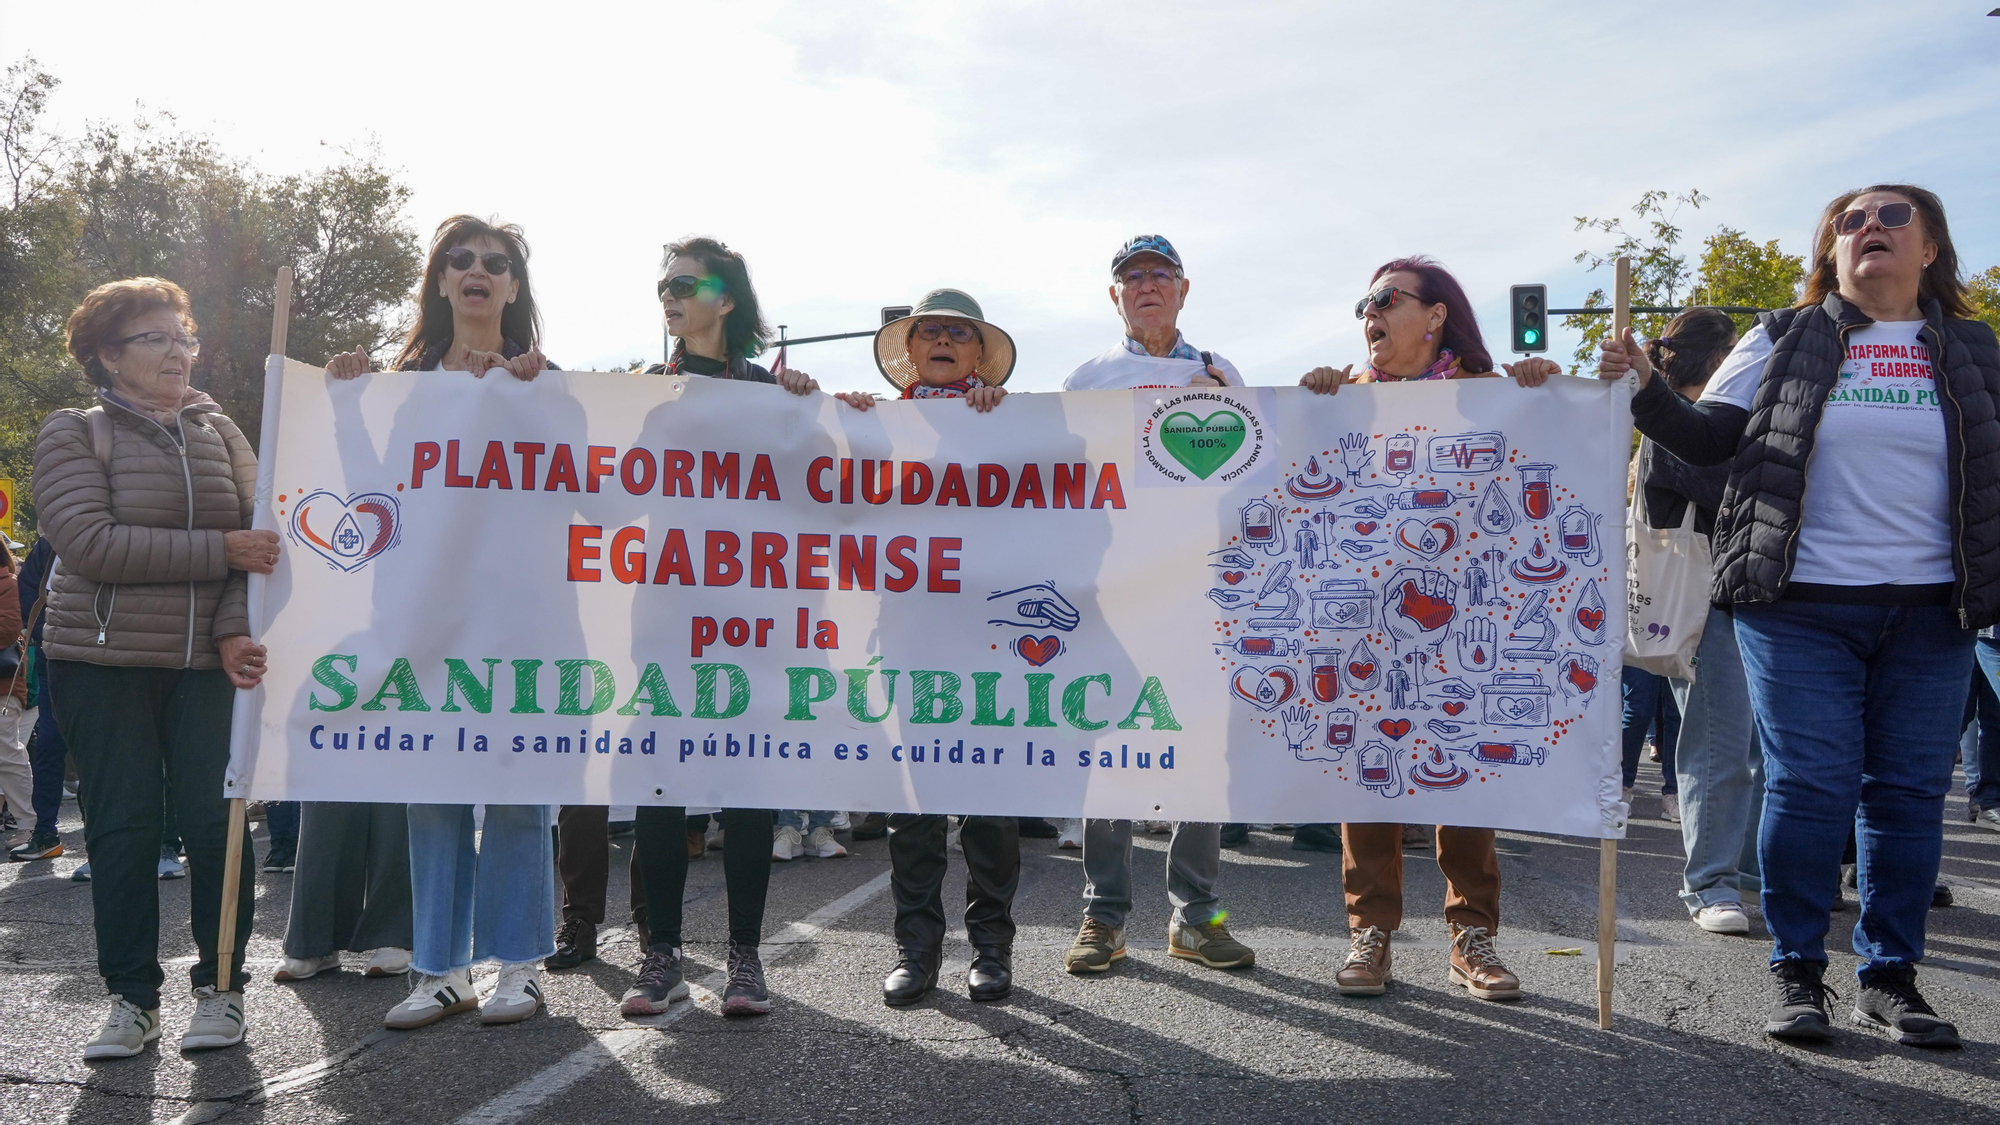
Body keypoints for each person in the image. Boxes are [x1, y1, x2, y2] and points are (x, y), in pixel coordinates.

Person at [1599, 184, 1999, 1049]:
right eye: (1850, 221)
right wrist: (1642, 390)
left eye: (1892, 217)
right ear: (1831, 253)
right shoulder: (1782, 335)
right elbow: (1708, 438)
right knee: (1812, 787)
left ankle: (1890, 977)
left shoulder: (1972, 348)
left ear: (1931, 247)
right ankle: (1798, 970)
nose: (1870, 229)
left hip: (1934, 613)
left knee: (1906, 798)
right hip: (1800, 607)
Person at [1298, 255, 1560, 1001]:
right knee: (1370, 774)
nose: (1369, 315)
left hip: (1463, 620)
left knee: (1463, 775)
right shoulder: (1346, 398)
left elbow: (1547, 459)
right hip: (1367, 624)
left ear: (1435, 314)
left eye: (1385, 299)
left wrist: (1547, 392)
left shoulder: (1488, 396)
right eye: (1363, 304)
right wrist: (1314, 402)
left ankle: (1471, 934)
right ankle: (1371, 931)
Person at [331, 216, 557, 1029]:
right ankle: (439, 967)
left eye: (495, 263)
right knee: (432, 787)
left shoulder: (547, 380)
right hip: (427, 616)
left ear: (513, 287)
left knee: (522, 787)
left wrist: (538, 402)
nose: (477, 271)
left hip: (525, 618)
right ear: (438, 281)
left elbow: (590, 492)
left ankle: (521, 965)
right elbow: (369, 494)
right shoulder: (401, 384)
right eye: (459, 259)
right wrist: (348, 404)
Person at [41, 276, 274, 1059]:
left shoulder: (223, 432)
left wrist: (236, 629)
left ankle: (223, 990)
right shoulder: (73, 432)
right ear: (108, 355)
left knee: (217, 824)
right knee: (124, 829)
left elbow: (261, 546)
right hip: (100, 664)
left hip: (210, 665)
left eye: (185, 336)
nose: (179, 351)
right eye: (156, 338)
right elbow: (91, 543)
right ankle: (132, 999)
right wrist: (221, 551)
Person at [622, 236, 815, 1020]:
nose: (669, 294)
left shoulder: (769, 392)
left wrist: (812, 407)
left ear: (726, 298)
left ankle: (744, 956)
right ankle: (660, 951)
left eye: (685, 282)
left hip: (750, 620)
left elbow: (822, 492)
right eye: (661, 284)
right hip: (664, 611)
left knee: (745, 787)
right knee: (662, 784)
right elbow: (606, 500)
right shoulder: (641, 392)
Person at [1053, 236, 1253, 976]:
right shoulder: (1087, 375)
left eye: (1158, 274)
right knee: (1111, 746)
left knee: (1202, 747)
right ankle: (1103, 914)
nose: (1145, 285)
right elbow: (1052, 475)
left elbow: (1252, 468)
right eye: (1130, 276)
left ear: (1183, 289)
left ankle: (1198, 916)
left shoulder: (1220, 371)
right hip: (1117, 586)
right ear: (1114, 296)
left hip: (1201, 589)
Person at [837, 288, 1024, 1005]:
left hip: (990, 638)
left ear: (979, 354)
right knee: (913, 805)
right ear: (908, 351)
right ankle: (916, 949)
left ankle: (991, 948)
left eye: (958, 333)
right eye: (929, 332)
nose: (942, 341)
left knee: (989, 803)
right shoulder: (878, 425)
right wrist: (835, 419)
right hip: (909, 633)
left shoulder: (1016, 423)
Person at [1631, 308, 1763, 933]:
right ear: (1718, 360)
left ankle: (1748, 870)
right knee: (1719, 742)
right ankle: (1710, 883)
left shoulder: (1708, 421)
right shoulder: (1676, 429)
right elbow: (1732, 490)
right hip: (1702, 601)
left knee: (1759, 747)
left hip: (1750, 596)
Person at [8, 536, 66, 862]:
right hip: (55, 655)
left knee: (94, 752)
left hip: (97, 658)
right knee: (49, 744)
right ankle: (45, 832)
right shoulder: (50, 543)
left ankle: (109, 843)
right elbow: (28, 593)